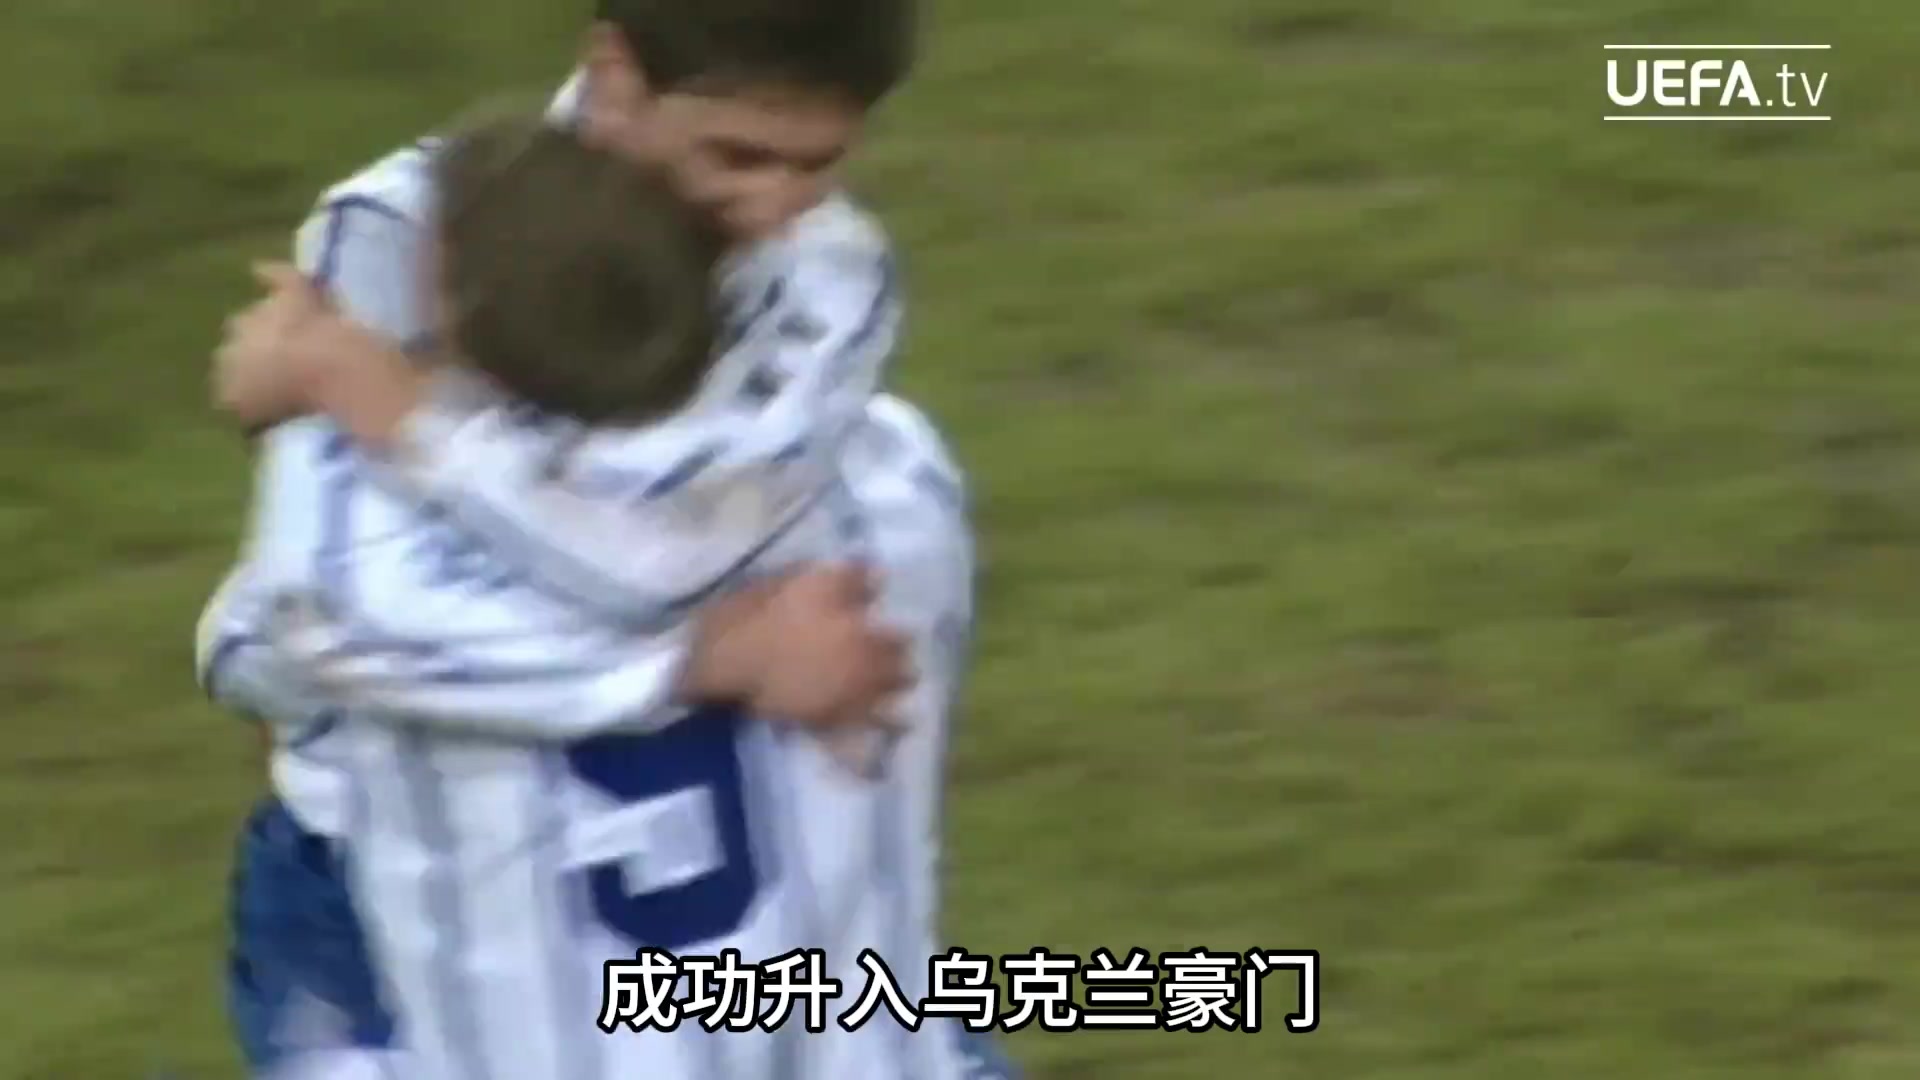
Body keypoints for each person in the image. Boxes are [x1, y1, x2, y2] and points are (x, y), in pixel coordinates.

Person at [209, 0, 1018, 1074]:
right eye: (737, 154)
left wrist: (390, 411)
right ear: (617, 71)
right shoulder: (401, 229)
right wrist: (705, 656)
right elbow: (313, 618)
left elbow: (658, 552)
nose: (777, 206)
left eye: (819, 163)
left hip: (637, 859)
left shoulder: (830, 273)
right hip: (384, 872)